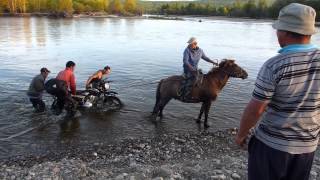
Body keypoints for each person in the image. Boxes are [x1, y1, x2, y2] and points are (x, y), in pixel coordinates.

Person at [235, 3, 319, 180]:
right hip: (308, 147)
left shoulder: (274, 65)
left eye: (278, 29)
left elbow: (256, 109)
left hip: (272, 146)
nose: (276, 33)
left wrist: (242, 134)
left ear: (286, 32)